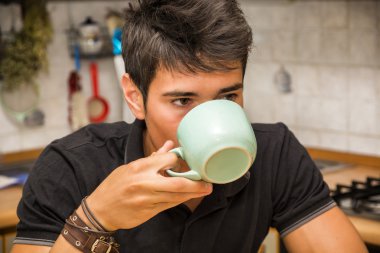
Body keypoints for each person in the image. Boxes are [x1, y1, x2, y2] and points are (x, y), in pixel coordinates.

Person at [11, 0, 368, 252]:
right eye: (183, 101)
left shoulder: (274, 155)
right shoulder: (70, 167)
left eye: (228, 97)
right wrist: (95, 217)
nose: (211, 118)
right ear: (135, 97)